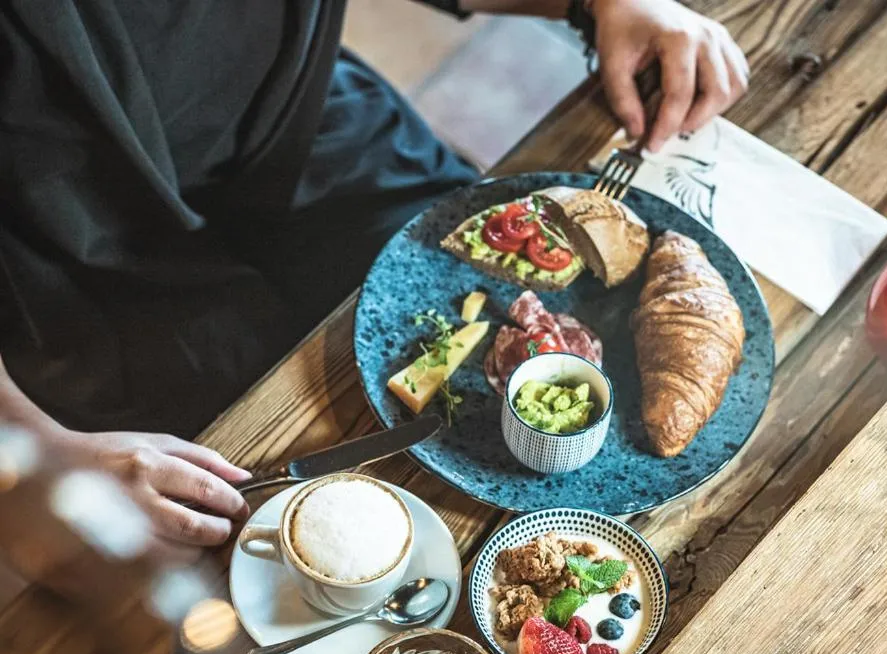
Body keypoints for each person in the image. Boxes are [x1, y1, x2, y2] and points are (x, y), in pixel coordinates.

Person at [0, 0, 748, 558]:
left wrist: (594, 2)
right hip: (68, 265)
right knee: (256, 527)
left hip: (309, 116)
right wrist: (36, 455)